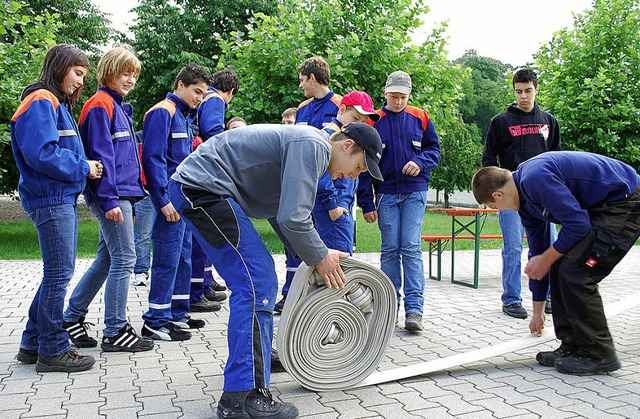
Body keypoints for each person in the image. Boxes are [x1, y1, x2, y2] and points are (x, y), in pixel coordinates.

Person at [169, 122, 383, 418]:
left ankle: (255, 359)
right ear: (347, 146)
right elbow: (293, 218)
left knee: (259, 279)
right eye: (358, 167)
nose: (353, 176)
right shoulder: (314, 146)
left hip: (201, 189)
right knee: (257, 281)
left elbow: (282, 216)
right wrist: (320, 256)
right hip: (203, 190)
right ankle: (242, 397)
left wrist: (314, 257)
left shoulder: (309, 148)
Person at [471, 151, 640, 375]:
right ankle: (571, 346)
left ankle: (600, 354)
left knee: (577, 273)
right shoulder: (526, 205)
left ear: (498, 194)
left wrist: (547, 259)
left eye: (493, 207)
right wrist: (537, 311)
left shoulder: (535, 178)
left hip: (625, 202)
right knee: (561, 266)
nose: (498, 211)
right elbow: (539, 255)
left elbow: (578, 225)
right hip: (603, 207)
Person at [11, 44, 101, 372]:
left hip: (55, 198)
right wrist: (84, 167)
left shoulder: (52, 102)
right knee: (59, 274)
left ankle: (32, 343)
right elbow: (43, 153)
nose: (81, 81)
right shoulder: (41, 100)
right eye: (77, 73)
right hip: (51, 199)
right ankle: (53, 348)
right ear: (59, 67)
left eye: (84, 76)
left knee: (56, 273)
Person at [62, 45, 154, 353]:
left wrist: (133, 196)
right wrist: (110, 201)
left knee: (107, 259)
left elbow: (126, 158)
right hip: (113, 196)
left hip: (124, 195)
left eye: (134, 75)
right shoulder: (100, 105)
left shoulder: (117, 105)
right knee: (126, 258)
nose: (130, 80)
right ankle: (115, 330)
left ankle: (72, 317)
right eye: (125, 73)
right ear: (110, 73)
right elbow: (101, 157)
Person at [357, 70, 440, 332]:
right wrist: (366, 203)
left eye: (403, 97)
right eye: (393, 96)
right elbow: (364, 162)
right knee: (391, 249)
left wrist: (420, 161)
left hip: (415, 191)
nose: (398, 101)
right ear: (385, 93)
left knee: (411, 247)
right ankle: (389, 305)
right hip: (386, 194)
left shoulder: (421, 117)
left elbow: (434, 151)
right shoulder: (374, 121)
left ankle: (415, 310)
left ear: (409, 95)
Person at [482, 68, 561, 319]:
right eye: (518, 91)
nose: (523, 96)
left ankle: (547, 296)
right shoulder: (501, 121)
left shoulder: (549, 121)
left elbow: (556, 158)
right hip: (511, 195)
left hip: (544, 195)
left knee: (547, 245)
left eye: (528, 91)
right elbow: (488, 158)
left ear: (537, 89)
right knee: (513, 248)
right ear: (514, 91)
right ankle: (511, 298)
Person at [140, 63, 210, 341]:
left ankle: (176, 313)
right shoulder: (163, 112)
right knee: (166, 259)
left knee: (182, 256)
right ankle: (155, 319)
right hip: (168, 201)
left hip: (183, 200)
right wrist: (163, 200)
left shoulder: (183, 115)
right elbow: (153, 159)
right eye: (196, 91)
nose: (199, 99)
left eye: (203, 94)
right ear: (180, 85)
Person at [274, 56, 342, 312]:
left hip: (330, 193)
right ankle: (291, 295)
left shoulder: (340, 106)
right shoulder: (302, 108)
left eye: (303, 80)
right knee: (295, 244)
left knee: (326, 248)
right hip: (303, 189)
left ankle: (326, 305)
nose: (301, 86)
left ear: (313, 78)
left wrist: (334, 200)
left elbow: (336, 157)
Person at [189, 68, 240, 313]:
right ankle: (197, 290)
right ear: (230, 91)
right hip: (206, 174)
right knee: (204, 234)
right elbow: (213, 134)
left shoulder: (204, 99)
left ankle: (204, 283)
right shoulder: (216, 100)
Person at [131, 130, 154, 287]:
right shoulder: (138, 138)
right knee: (142, 235)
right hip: (145, 192)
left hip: (163, 191)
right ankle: (141, 271)